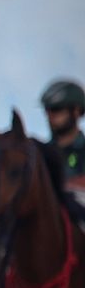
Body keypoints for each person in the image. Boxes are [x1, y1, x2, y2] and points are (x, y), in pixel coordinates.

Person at [42, 79, 85, 215]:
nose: (50, 116)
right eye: (47, 110)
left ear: (76, 111)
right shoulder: (40, 156)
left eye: (56, 109)